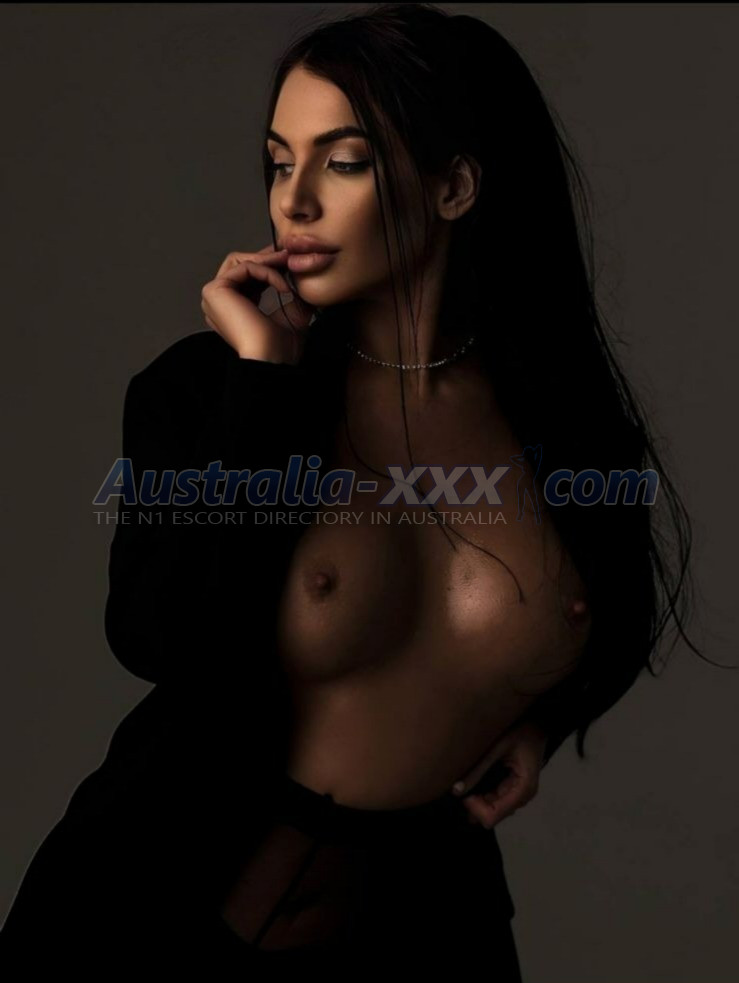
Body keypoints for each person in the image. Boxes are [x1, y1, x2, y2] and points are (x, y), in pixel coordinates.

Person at [1, 3, 705, 975]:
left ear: (453, 186)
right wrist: (262, 380)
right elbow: (156, 636)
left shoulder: (562, 416)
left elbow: (613, 605)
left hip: (431, 933)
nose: (293, 202)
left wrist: (542, 724)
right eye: (277, 162)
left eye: (341, 161)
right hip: (151, 921)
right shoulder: (205, 391)